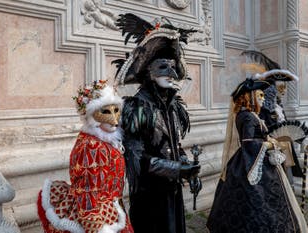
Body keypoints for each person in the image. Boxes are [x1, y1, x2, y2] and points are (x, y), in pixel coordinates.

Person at [113, 13, 201, 233]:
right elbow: (137, 160)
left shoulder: (172, 105)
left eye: (173, 66)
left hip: (172, 191)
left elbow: (173, 144)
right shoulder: (136, 109)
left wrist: (188, 170)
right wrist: (178, 169)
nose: (171, 73)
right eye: (163, 66)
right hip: (149, 195)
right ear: (149, 72)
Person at [206, 77, 307, 233]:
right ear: (249, 96)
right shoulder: (247, 116)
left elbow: (256, 137)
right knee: (258, 200)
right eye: (259, 95)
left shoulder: (248, 114)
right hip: (252, 159)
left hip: (249, 159)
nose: (262, 98)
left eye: (262, 95)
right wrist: (269, 144)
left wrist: (270, 139)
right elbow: (249, 143)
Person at [37, 80, 134, 233]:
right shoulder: (92, 146)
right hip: (98, 215)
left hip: (111, 209)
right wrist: (96, 227)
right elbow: (88, 191)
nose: (115, 119)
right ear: (92, 116)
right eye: (106, 112)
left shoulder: (104, 141)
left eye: (116, 110)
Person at [242, 50, 304, 187]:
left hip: (284, 150)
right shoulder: (263, 109)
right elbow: (262, 132)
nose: (284, 91)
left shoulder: (278, 106)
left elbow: (285, 125)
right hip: (272, 153)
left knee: (287, 182)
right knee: (276, 183)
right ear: (272, 88)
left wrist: (299, 137)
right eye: (281, 87)